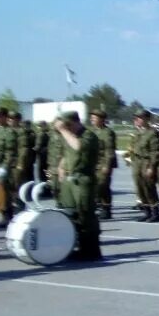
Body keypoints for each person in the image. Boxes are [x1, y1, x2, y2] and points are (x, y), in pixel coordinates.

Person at [53, 111, 101, 260]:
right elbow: (67, 153)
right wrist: (61, 168)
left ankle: (91, 251)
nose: (67, 129)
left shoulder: (88, 135)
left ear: (74, 122)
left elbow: (78, 146)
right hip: (69, 180)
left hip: (83, 180)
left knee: (85, 215)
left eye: (68, 125)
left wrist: (63, 130)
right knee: (70, 214)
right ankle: (76, 247)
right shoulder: (69, 135)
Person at [127, 108, 159, 222]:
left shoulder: (152, 133)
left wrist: (152, 167)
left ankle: (155, 213)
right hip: (137, 162)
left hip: (147, 162)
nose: (137, 120)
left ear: (147, 119)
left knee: (149, 187)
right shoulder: (137, 133)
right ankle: (146, 212)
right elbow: (132, 148)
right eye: (136, 118)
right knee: (140, 187)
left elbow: (155, 151)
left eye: (140, 118)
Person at [0, 107, 18, 221]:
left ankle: (8, 218)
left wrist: (4, 168)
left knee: (4, 194)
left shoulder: (9, 132)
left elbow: (10, 152)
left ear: (5, 117)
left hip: (1, 166)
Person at [87, 109, 117, 220]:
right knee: (101, 187)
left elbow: (109, 150)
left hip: (103, 164)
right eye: (92, 118)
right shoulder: (92, 131)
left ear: (102, 119)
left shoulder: (108, 133)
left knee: (101, 186)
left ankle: (104, 208)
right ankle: (104, 209)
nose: (92, 120)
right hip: (94, 163)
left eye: (94, 118)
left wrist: (107, 165)